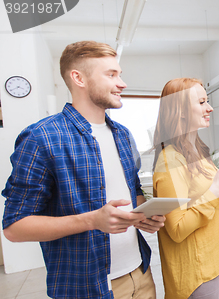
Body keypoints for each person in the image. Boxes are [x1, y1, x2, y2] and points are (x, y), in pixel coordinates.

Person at [2, 41, 165, 299]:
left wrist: (143, 215)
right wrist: (91, 220)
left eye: (119, 74)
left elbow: (132, 191)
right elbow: (15, 227)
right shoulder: (42, 137)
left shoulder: (122, 135)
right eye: (111, 75)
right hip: (87, 286)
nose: (121, 83)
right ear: (78, 78)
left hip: (140, 273)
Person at [152, 78, 219, 299]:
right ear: (180, 110)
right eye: (202, 102)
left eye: (207, 101)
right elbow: (177, 229)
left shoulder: (199, 150)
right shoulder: (171, 160)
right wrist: (216, 189)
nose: (209, 108)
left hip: (218, 256)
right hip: (197, 269)